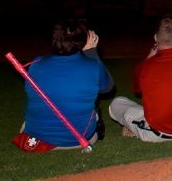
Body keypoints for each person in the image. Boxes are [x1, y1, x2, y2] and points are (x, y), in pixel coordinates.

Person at [108, 14, 172, 141]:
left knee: (116, 103)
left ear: (156, 38)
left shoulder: (146, 66)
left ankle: (138, 128)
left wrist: (152, 52)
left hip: (158, 134)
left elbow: (137, 89)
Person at [21, 20, 114, 148]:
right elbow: (107, 88)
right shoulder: (92, 65)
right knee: (93, 108)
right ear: (83, 41)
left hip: (36, 139)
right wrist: (91, 51)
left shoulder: (36, 64)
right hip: (78, 139)